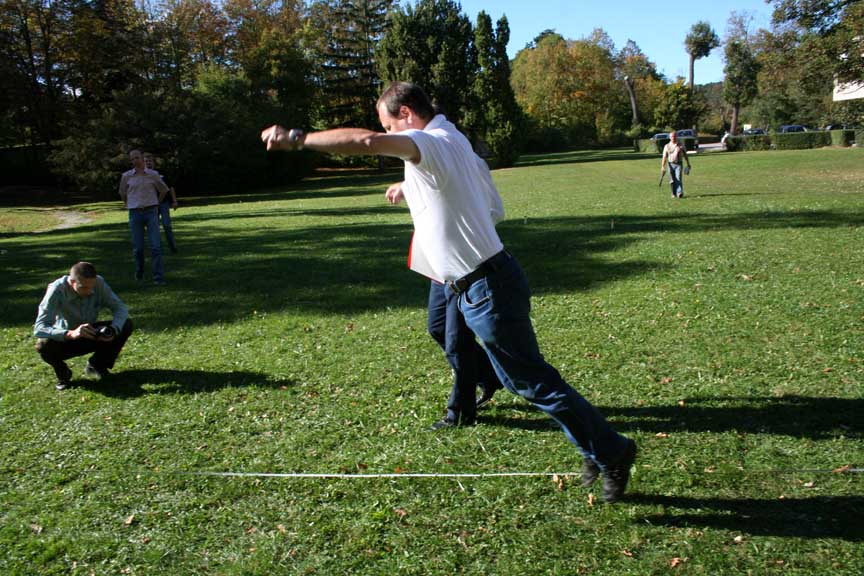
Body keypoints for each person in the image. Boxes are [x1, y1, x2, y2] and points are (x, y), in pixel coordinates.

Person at [262, 81, 637, 502]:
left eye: (390, 125)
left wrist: (297, 138)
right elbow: (467, 186)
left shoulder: (429, 142)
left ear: (406, 114)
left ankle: (612, 449)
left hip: (486, 285)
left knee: (531, 381)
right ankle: (595, 446)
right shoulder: (452, 138)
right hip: (477, 281)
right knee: (522, 378)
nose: (387, 134)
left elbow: (367, 142)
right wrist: (409, 185)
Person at [385, 180, 503, 430]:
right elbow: (430, 182)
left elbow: (494, 209)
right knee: (437, 327)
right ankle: (489, 375)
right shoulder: (425, 166)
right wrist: (406, 186)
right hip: (438, 266)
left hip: (464, 266)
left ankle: (460, 413)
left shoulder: (468, 162)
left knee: (457, 342)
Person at [34, 261, 133, 390]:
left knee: (125, 325)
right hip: (66, 340)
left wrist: (113, 330)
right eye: (84, 288)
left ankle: (97, 365)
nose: (90, 291)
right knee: (43, 345)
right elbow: (39, 327)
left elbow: (120, 308)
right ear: (72, 282)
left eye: (92, 287)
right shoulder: (56, 290)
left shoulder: (98, 282)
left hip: (91, 334)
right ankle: (63, 373)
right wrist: (70, 334)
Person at [119, 149, 168, 284]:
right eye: (132, 159)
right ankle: (139, 271)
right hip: (135, 213)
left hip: (151, 212)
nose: (135, 161)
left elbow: (163, 190)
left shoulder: (153, 175)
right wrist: (128, 203)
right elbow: (122, 192)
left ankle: (158, 277)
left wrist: (157, 203)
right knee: (138, 248)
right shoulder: (126, 176)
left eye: (137, 158)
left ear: (142, 158)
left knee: (155, 246)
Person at [144, 153, 179, 254]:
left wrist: (174, 201)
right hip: (150, 204)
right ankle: (157, 248)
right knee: (153, 227)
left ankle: (173, 247)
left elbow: (170, 187)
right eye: (146, 161)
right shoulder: (142, 175)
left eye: (150, 161)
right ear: (143, 163)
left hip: (163, 203)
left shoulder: (161, 173)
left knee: (166, 225)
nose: (148, 163)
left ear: (153, 162)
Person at [661, 130, 692, 199]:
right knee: (672, 180)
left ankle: (679, 193)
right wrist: (662, 166)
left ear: (676, 137)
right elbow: (664, 157)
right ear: (670, 137)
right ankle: (673, 193)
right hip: (670, 164)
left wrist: (688, 164)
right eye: (672, 136)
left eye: (675, 136)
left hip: (679, 164)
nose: (673, 138)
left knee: (678, 178)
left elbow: (685, 155)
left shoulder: (681, 145)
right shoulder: (667, 146)